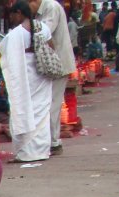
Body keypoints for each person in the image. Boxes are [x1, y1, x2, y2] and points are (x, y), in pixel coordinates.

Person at [0, 1, 54, 162]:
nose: (11, 18)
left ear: (19, 13)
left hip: (26, 76)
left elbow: (8, 57)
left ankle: (26, 153)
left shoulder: (16, 34)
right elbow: (51, 46)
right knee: (42, 112)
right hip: (42, 75)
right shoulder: (43, 27)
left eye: (12, 14)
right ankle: (42, 150)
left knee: (23, 109)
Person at [30, 0, 76, 156]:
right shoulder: (43, 11)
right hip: (51, 65)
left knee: (52, 104)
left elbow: (44, 32)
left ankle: (53, 141)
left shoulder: (51, 7)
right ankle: (51, 141)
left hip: (57, 64)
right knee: (49, 103)